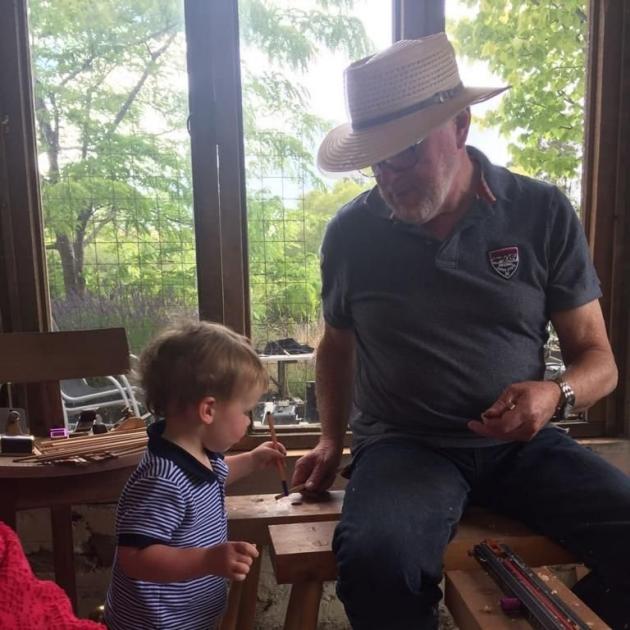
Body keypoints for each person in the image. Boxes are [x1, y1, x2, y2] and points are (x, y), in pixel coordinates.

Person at [292, 32, 630, 629]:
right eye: (377, 159)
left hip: (524, 447)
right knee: (377, 563)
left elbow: (599, 359)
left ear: (461, 125)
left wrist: (557, 394)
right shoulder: (351, 234)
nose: (391, 177)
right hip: (405, 446)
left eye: (408, 152)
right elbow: (336, 345)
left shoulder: (541, 211)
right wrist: (327, 438)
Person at [105, 320, 285, 630]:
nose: (248, 422)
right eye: (245, 411)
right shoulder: (161, 478)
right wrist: (206, 561)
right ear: (208, 410)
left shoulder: (196, 455)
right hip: (155, 623)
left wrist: (254, 460)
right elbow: (134, 557)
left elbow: (213, 477)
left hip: (186, 618)